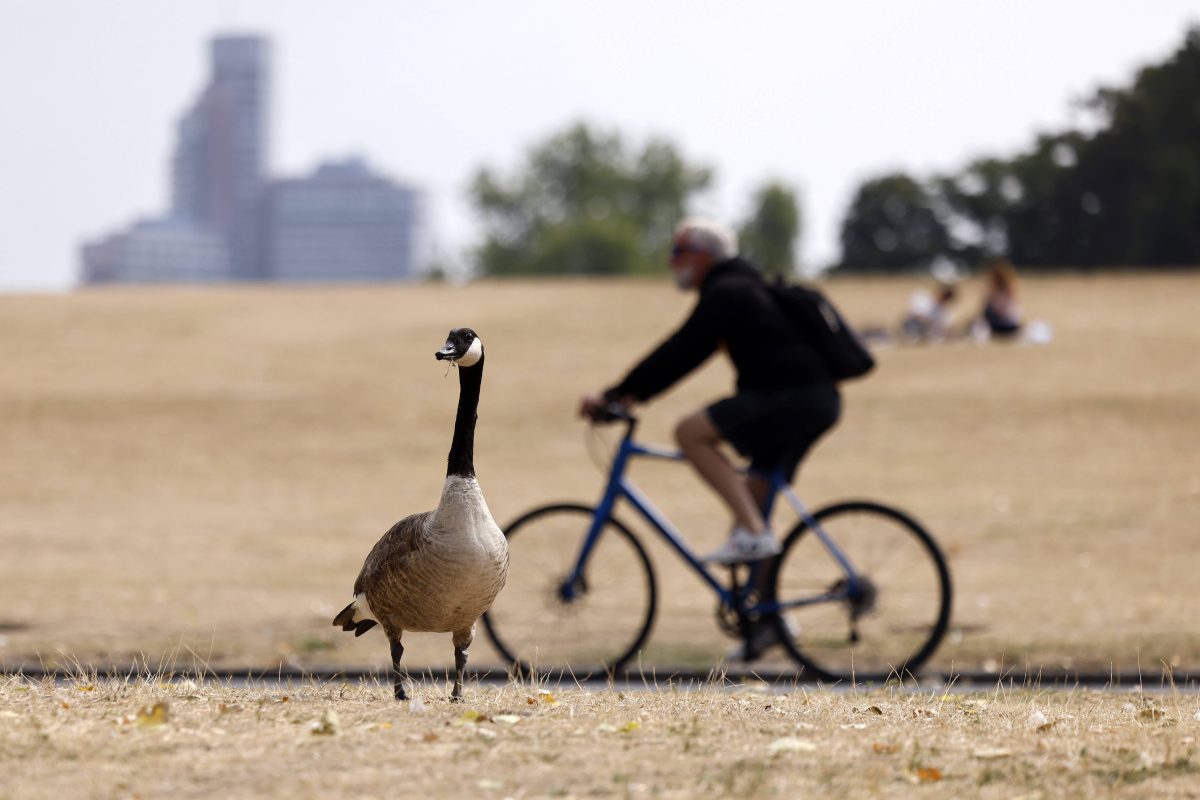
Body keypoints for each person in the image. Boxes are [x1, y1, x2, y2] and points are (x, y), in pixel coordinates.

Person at [579, 219, 841, 566]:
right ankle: (764, 614)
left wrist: (619, 394)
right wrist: (630, 393)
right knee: (753, 501)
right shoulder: (742, 286)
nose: (671, 262)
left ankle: (753, 533)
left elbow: (681, 352)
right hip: (813, 399)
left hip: (791, 398)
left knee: (689, 433)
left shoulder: (728, 292)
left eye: (677, 252)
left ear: (702, 256)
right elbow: (686, 355)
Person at [974, 257, 1022, 339]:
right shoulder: (1008, 290)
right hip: (1007, 323)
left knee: (987, 311)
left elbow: (1002, 310)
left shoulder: (1002, 292)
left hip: (1004, 324)